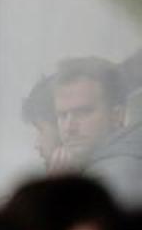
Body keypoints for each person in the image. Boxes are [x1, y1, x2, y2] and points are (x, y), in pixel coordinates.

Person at [52, 57, 142, 202]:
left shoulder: (116, 176)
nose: (69, 127)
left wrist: (60, 192)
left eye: (82, 112)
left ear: (117, 116)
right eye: (62, 115)